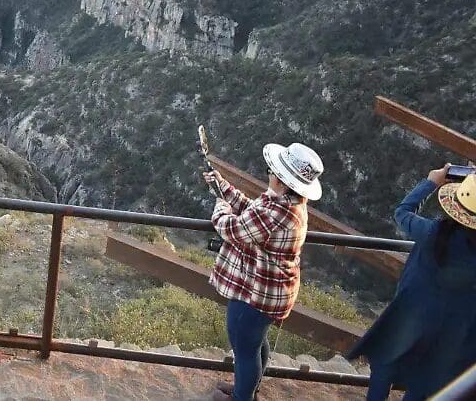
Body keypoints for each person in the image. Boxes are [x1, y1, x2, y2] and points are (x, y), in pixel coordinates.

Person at [204, 142, 323, 401]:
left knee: (244, 349)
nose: (269, 172)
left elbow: (232, 229)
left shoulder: (278, 211)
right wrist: (222, 186)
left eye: (273, 170)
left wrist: (220, 206)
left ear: (281, 179)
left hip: (259, 294)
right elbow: (252, 210)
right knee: (256, 345)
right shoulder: (287, 202)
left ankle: (241, 397)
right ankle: (246, 390)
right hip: (271, 291)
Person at [346, 164, 476, 401]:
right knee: (425, 382)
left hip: (410, 316)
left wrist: (431, 182)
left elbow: (403, 212)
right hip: (454, 332)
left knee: (384, 366)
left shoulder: (432, 232)